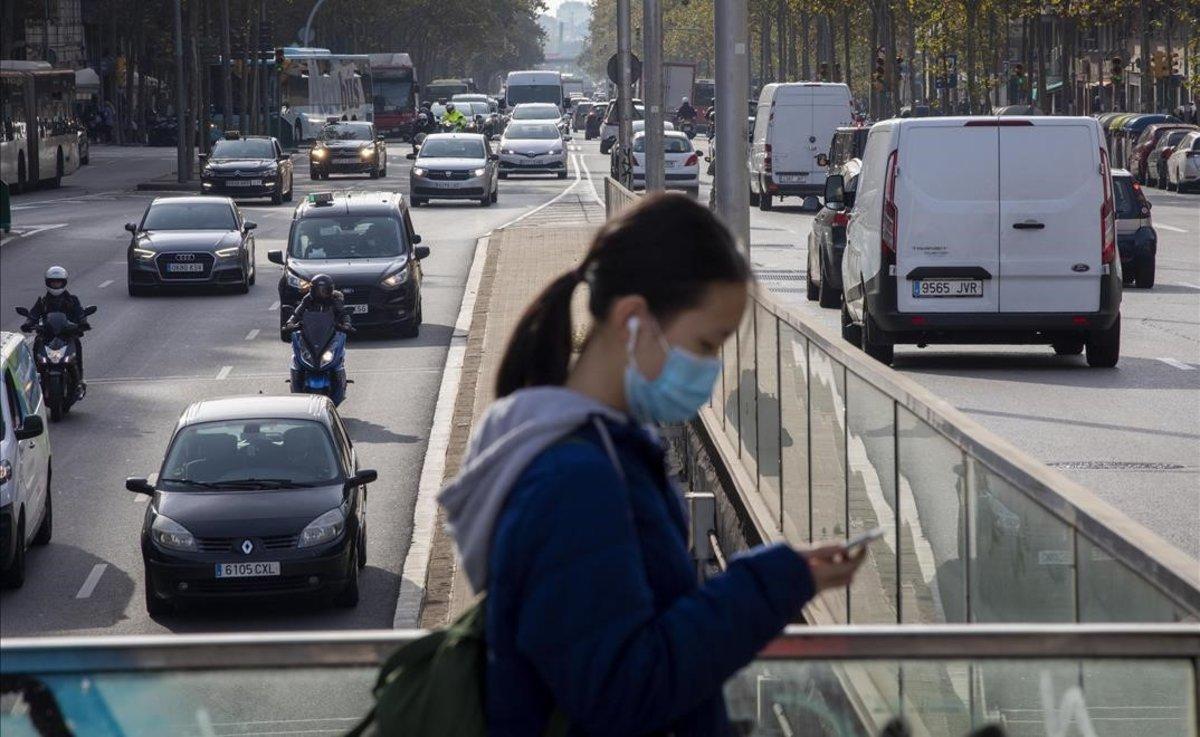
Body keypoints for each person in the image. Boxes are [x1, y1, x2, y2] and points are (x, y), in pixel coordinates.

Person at [438, 193, 865, 737]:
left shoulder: (598, 452)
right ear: (633, 320)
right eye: (706, 344)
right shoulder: (576, 482)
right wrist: (772, 582)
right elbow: (621, 692)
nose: (711, 369)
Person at [23, 266, 91, 398]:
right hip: (48, 336)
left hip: (66, 335)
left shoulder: (72, 300)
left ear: (64, 282)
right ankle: (36, 376)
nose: (56, 284)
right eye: (53, 282)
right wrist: (28, 323)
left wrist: (83, 323)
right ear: (48, 282)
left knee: (77, 343)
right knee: (37, 342)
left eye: (58, 282)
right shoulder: (42, 301)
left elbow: (80, 313)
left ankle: (79, 380)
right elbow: (33, 314)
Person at [285, 273, 354, 334]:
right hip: (310, 333)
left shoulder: (335, 299)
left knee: (339, 344)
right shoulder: (308, 299)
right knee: (297, 340)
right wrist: (290, 322)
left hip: (331, 333)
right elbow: (298, 312)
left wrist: (347, 324)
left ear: (330, 290)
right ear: (313, 290)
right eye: (318, 291)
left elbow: (343, 313)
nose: (321, 294)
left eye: (325, 291)